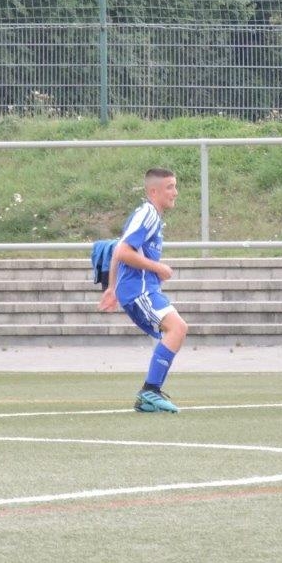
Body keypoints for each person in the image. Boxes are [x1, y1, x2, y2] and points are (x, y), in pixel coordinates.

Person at [98, 168, 188, 413]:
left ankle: (149, 394)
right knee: (177, 328)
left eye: (175, 186)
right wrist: (158, 267)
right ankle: (150, 391)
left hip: (138, 288)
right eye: (170, 187)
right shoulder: (148, 213)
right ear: (154, 191)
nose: (175, 192)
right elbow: (122, 251)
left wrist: (112, 288)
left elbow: (119, 249)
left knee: (176, 329)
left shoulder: (150, 216)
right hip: (139, 289)